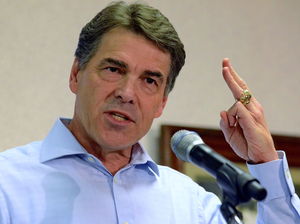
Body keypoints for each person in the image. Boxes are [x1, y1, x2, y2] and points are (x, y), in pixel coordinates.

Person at [0, 1, 299, 223]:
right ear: (76, 74)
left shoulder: (192, 204)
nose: (127, 94)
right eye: (114, 69)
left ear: (162, 103)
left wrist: (264, 162)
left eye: (149, 80)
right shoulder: (7, 184)